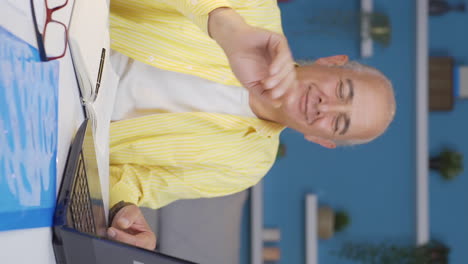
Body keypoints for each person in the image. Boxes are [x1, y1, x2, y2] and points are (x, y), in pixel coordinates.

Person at [106, 0, 396, 250]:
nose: (325, 106)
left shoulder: (246, 168)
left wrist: (124, 210)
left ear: (320, 139)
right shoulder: (258, 10)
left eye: (339, 122)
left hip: (68, 132)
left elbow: (136, 184)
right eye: (342, 91)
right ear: (331, 62)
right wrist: (228, 28)